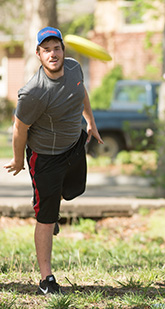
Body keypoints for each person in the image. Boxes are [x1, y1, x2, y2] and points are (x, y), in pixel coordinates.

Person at [4, 27, 103, 295]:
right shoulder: (34, 92)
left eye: (56, 48)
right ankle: (46, 279)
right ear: (38, 54)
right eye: (46, 49)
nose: (53, 53)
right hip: (45, 157)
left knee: (73, 191)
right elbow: (19, 128)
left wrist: (91, 121)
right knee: (46, 216)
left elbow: (80, 92)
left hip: (74, 145)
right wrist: (17, 160)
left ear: (63, 51)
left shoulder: (73, 69)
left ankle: (50, 206)